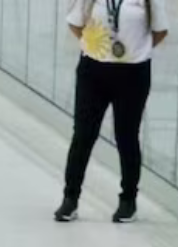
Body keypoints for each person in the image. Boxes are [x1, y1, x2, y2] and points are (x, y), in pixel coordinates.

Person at [56, 0, 169, 223]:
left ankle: (128, 201)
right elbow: (76, 23)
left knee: (126, 137)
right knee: (83, 135)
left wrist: (137, 51)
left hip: (133, 74)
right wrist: (95, 46)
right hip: (93, 71)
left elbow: (160, 31)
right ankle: (70, 198)